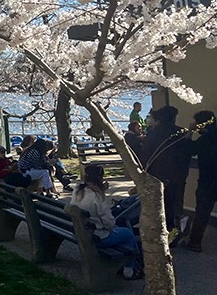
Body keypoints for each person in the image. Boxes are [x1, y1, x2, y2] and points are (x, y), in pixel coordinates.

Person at [70, 164, 143, 280]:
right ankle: (129, 269)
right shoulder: (97, 197)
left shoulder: (78, 190)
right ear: (100, 179)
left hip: (81, 232)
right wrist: (102, 194)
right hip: (97, 237)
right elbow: (109, 223)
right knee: (128, 233)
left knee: (121, 232)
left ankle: (125, 264)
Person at [143, 105, 192, 237]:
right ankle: (173, 232)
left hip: (156, 175)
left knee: (159, 204)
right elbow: (188, 152)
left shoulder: (153, 134)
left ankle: (159, 231)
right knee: (175, 204)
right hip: (177, 176)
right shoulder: (181, 133)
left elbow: (145, 155)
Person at [186, 110, 217, 252]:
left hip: (207, 182)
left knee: (202, 213)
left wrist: (189, 132)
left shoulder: (204, 140)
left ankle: (195, 243)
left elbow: (188, 150)